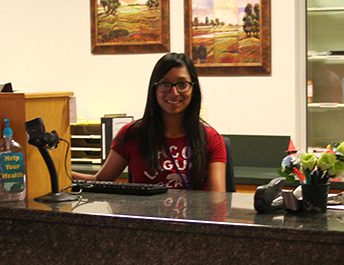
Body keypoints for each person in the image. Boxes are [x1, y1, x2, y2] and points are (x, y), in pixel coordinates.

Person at [72, 53, 227, 192]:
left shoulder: (210, 138)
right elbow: (100, 181)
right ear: (154, 89)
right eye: (165, 84)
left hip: (193, 222)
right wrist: (61, 172)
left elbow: (217, 200)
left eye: (182, 84)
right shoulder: (131, 133)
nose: (174, 92)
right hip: (146, 222)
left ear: (193, 90)